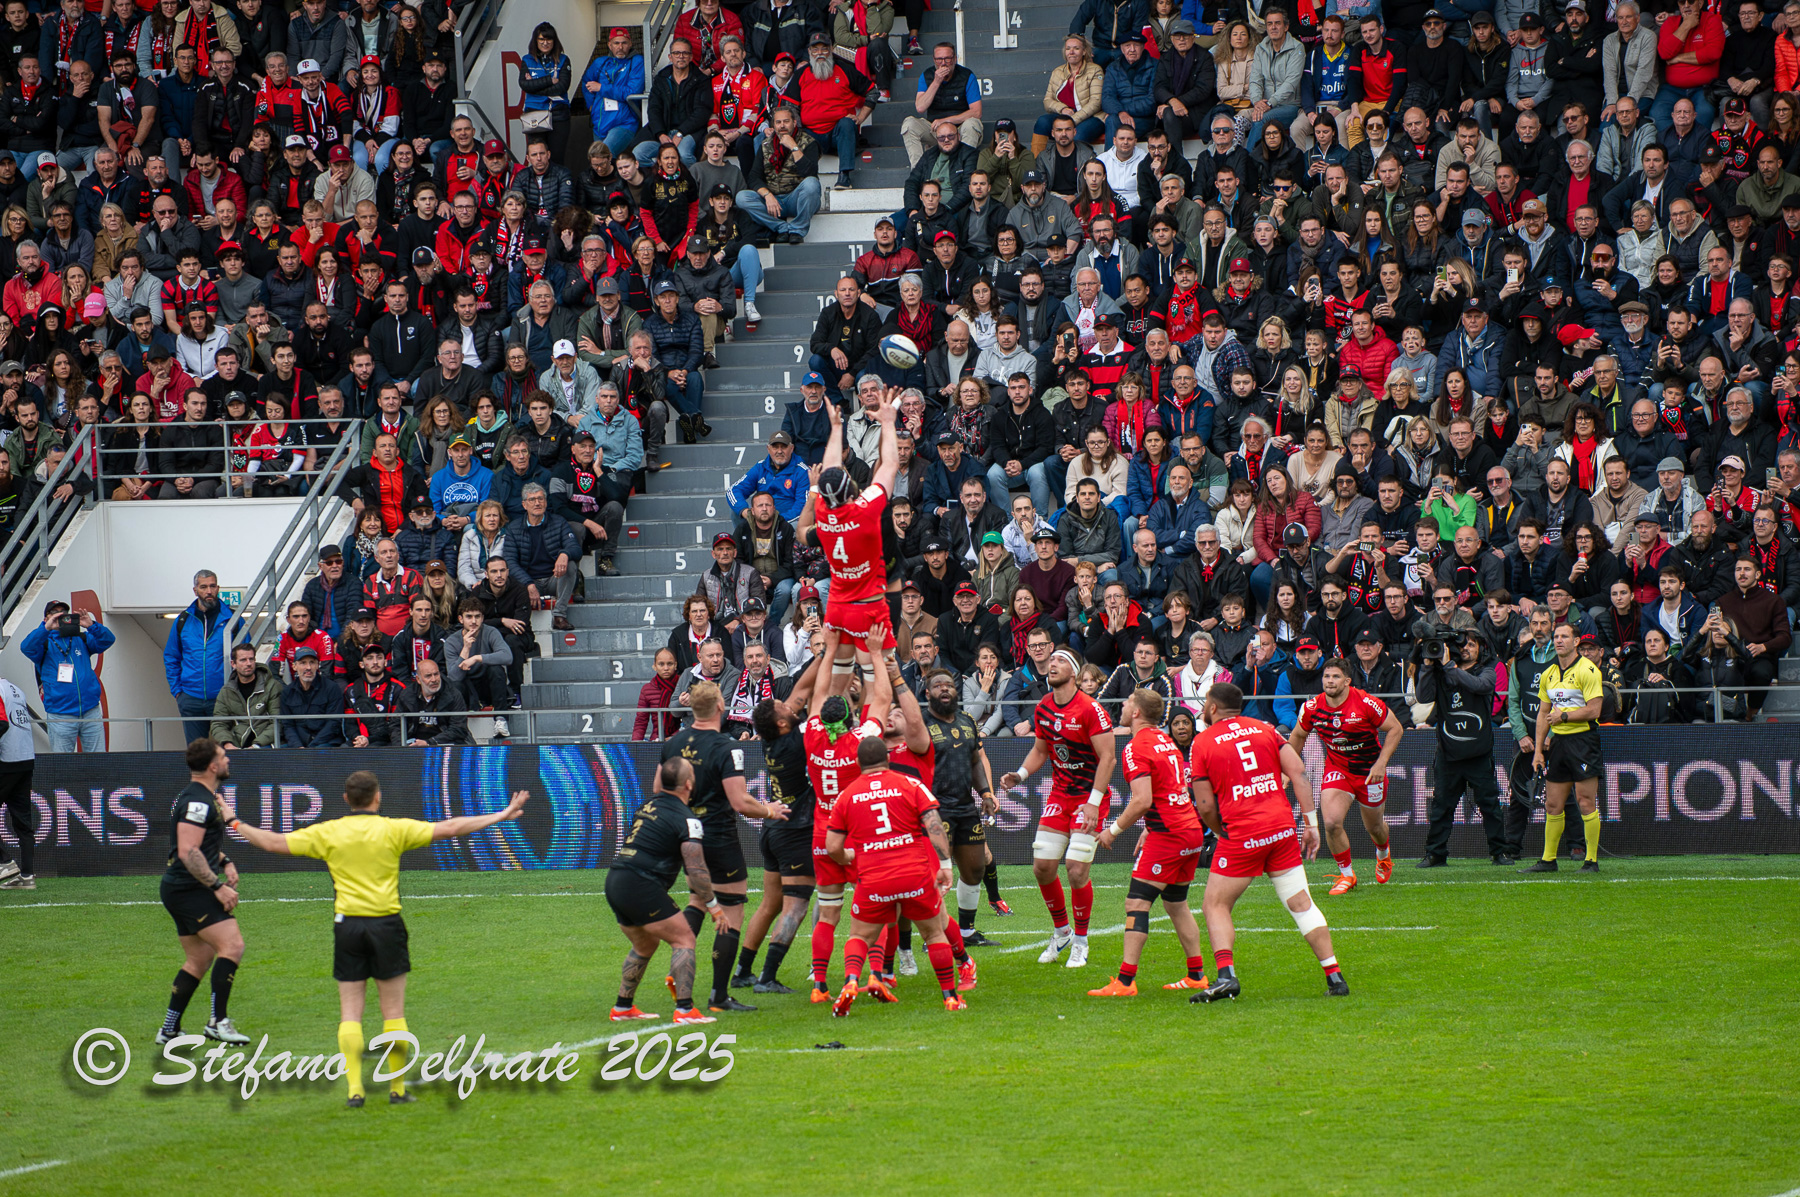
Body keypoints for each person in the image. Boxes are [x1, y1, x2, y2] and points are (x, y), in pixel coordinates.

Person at [222, 770, 529, 1106]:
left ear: (345, 799)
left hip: (348, 927)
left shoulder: (330, 832)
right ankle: (397, 1089)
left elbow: (272, 842)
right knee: (393, 1011)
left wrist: (233, 820)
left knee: (350, 1012)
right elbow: (452, 827)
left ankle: (355, 1090)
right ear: (377, 797)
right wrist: (501, 815)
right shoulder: (393, 829)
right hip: (386, 925)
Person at [1188, 682, 1349, 1002]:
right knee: (1302, 904)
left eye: (1206, 703)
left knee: (1215, 904)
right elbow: (1299, 774)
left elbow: (1205, 806)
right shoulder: (1264, 729)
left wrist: (1220, 832)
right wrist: (1311, 824)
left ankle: (1226, 976)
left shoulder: (1202, 741)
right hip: (1281, 828)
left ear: (1213, 708)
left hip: (1242, 833)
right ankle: (1335, 977)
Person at [660, 680, 791, 1013]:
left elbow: (660, 790)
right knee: (730, 910)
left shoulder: (674, 742)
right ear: (721, 706)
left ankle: (679, 972)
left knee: (697, 899)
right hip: (718, 836)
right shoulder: (726, 746)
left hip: (684, 836)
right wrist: (769, 810)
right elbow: (738, 801)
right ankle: (719, 995)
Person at [826, 735, 965, 1016]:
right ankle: (950, 997)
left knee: (860, 935)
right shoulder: (910, 784)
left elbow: (832, 847)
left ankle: (852, 981)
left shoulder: (847, 794)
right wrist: (946, 863)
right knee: (933, 932)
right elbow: (934, 824)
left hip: (874, 878)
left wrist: (847, 857)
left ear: (858, 763)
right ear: (887, 759)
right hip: (914, 875)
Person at [999, 646, 1118, 969]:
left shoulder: (1091, 709)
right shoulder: (1043, 707)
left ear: (1076, 673)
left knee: (1076, 869)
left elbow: (1108, 757)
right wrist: (1020, 775)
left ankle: (1081, 941)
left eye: (1060, 661)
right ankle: (1061, 931)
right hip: (1061, 795)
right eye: (1050, 660)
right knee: (1042, 867)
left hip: (1089, 798)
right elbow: (1041, 749)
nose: (1052, 664)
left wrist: (1094, 803)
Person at [1088, 688, 1212, 996]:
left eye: (1128, 701)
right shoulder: (1164, 740)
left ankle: (1125, 981)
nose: (1124, 704)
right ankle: (1196, 974)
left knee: (1136, 903)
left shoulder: (1135, 746)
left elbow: (1142, 800)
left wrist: (1111, 831)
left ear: (1136, 712)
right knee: (1176, 904)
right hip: (1189, 830)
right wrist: (1148, 827)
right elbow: (1169, 789)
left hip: (1169, 834)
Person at [602, 756, 721, 1024]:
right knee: (684, 939)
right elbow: (697, 870)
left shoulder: (648, 804)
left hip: (616, 879)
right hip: (640, 883)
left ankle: (622, 1008)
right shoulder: (688, 820)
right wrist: (714, 906)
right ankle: (685, 1009)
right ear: (689, 784)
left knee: (645, 943)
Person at [154, 740, 251, 1049]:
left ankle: (169, 1029)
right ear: (212, 766)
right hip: (188, 889)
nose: (227, 761)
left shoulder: (201, 797)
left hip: (182, 888)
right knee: (232, 946)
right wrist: (217, 886)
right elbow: (187, 851)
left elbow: (199, 843)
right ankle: (218, 1022)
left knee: (199, 958)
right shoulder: (198, 803)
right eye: (223, 757)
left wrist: (225, 861)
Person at [1289, 656, 1405, 896]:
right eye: (1326, 676)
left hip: (1369, 772)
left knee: (1375, 828)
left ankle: (1383, 854)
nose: (1329, 681)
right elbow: (1299, 735)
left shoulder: (1366, 703)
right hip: (1338, 770)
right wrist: (1288, 768)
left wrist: (1382, 764)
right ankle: (1347, 875)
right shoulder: (1312, 707)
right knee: (1331, 823)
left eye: (1335, 677)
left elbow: (1396, 728)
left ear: (1347, 681)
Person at [1416, 630, 1511, 868]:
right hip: (1449, 753)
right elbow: (1423, 696)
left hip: (1479, 752)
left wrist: (1449, 666)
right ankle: (1435, 853)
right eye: (1464, 645)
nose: (1467, 648)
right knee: (1441, 806)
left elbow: (1481, 686)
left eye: (1472, 644)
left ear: (1481, 648)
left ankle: (1499, 852)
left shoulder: (1486, 669)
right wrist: (1428, 665)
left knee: (1490, 805)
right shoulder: (1442, 672)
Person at [1521, 622, 1605, 873]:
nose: (1558, 640)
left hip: (1583, 741)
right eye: (1556, 636)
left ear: (1576, 641)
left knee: (1585, 802)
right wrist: (1538, 751)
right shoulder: (1548, 673)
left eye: (1564, 636)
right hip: (1557, 743)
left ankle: (1591, 861)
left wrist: (1565, 717)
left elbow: (1594, 709)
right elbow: (1543, 714)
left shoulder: (1588, 670)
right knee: (1552, 805)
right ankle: (1548, 860)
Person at [19, 599, 114, 753]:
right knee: (63, 765)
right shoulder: (43, 642)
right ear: (46, 618)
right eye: (54, 612)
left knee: (98, 763)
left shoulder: (80, 638)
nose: (60, 615)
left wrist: (92, 626)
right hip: (60, 714)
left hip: (90, 710)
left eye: (63, 612)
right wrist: (46, 629)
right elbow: (26, 648)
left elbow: (108, 640)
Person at [163, 569, 239, 743]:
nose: (209, 591)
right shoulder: (183, 620)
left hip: (223, 697)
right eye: (203, 587)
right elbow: (171, 657)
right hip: (190, 698)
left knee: (230, 750)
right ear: (195, 590)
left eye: (212, 586)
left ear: (218, 588)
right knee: (197, 754)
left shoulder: (233, 619)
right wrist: (178, 692)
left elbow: (245, 656)